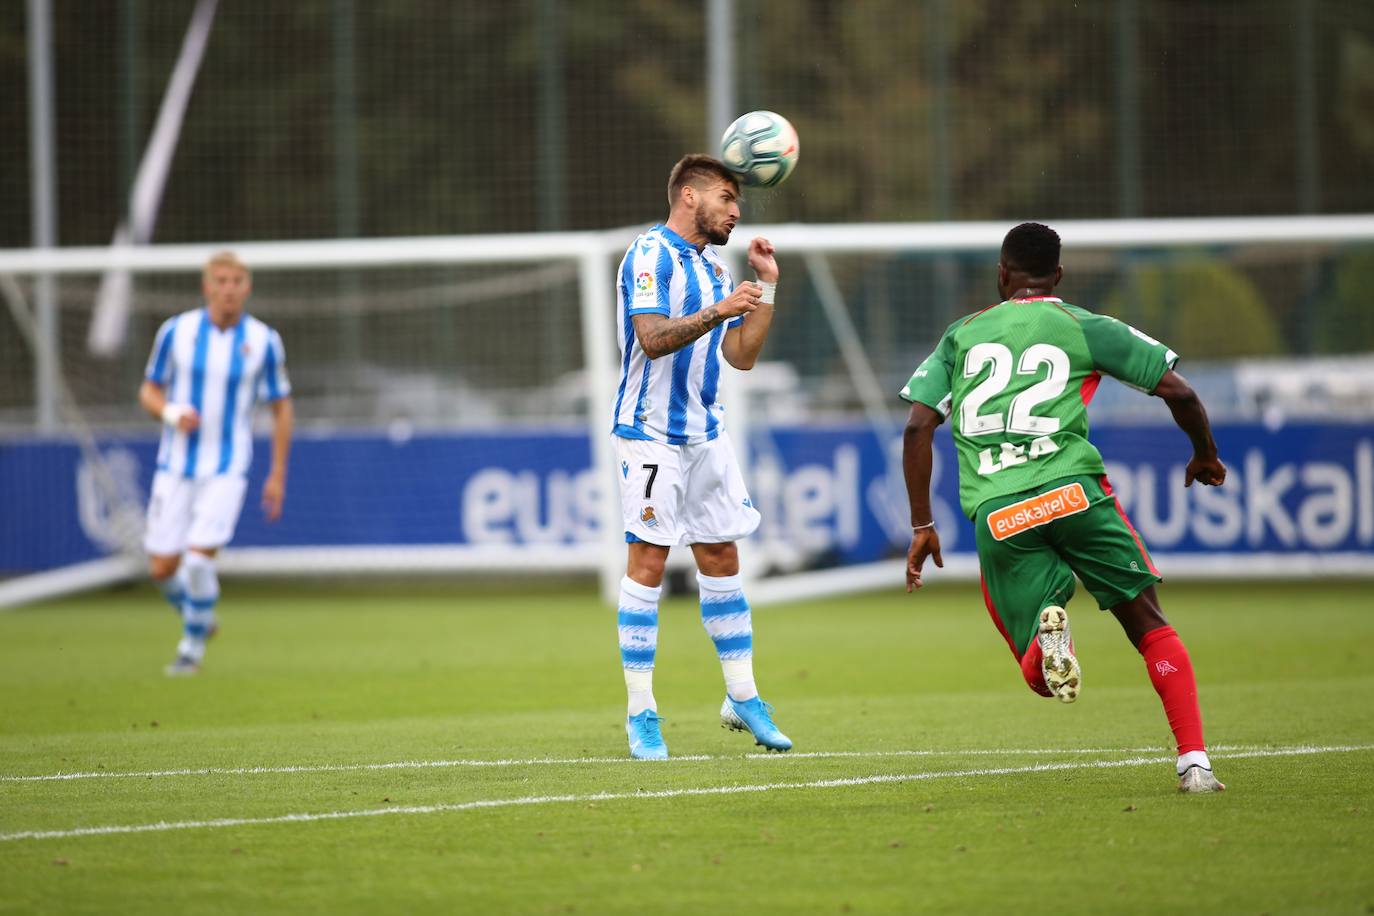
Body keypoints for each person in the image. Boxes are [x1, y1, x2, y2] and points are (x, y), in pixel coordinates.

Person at [900, 222, 1227, 793]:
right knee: (1149, 626)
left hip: (1001, 511)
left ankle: (1053, 641)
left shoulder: (962, 335)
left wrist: (923, 524)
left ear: (1002, 275)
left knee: (1037, 667)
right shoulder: (1082, 325)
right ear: (1058, 275)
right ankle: (1194, 762)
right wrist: (1204, 454)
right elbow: (1181, 392)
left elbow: (916, 429)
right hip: (1075, 492)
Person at [611, 154, 791, 759]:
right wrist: (719, 309)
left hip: (705, 436)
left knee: (721, 556)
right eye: (726, 196)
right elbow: (652, 339)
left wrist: (763, 288)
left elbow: (740, 356)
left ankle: (743, 695)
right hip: (649, 434)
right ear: (689, 195)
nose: (737, 211)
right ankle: (642, 714)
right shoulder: (649, 255)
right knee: (650, 561)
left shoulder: (714, 268)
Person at [139, 251, 294, 675]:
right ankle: (201, 618)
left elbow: (282, 407)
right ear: (207, 286)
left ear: (248, 287)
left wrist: (277, 474)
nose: (229, 288)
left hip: (227, 466)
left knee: (199, 560)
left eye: (237, 281)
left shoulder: (263, 341)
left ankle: (190, 650)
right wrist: (171, 413)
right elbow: (149, 390)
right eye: (221, 280)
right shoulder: (177, 331)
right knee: (161, 567)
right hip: (175, 465)